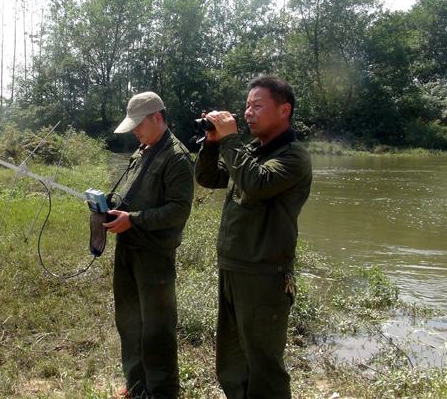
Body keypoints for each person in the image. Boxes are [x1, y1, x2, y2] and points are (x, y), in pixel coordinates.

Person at [194, 76, 312, 399]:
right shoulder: (249, 153)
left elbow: (257, 184)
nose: (248, 113)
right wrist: (212, 141)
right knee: (231, 363)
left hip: (264, 277)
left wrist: (230, 141)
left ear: (284, 110)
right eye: (247, 106)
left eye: (257, 105)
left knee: (264, 369)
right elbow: (207, 177)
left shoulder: (294, 157)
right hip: (233, 270)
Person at [104, 91, 195, 399]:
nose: (134, 131)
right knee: (129, 322)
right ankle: (137, 384)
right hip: (128, 248)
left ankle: (162, 392)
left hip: (154, 255)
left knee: (157, 328)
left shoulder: (177, 157)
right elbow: (132, 193)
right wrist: (109, 206)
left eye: (138, 124)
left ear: (158, 118)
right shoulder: (143, 149)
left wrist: (134, 219)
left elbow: (179, 209)